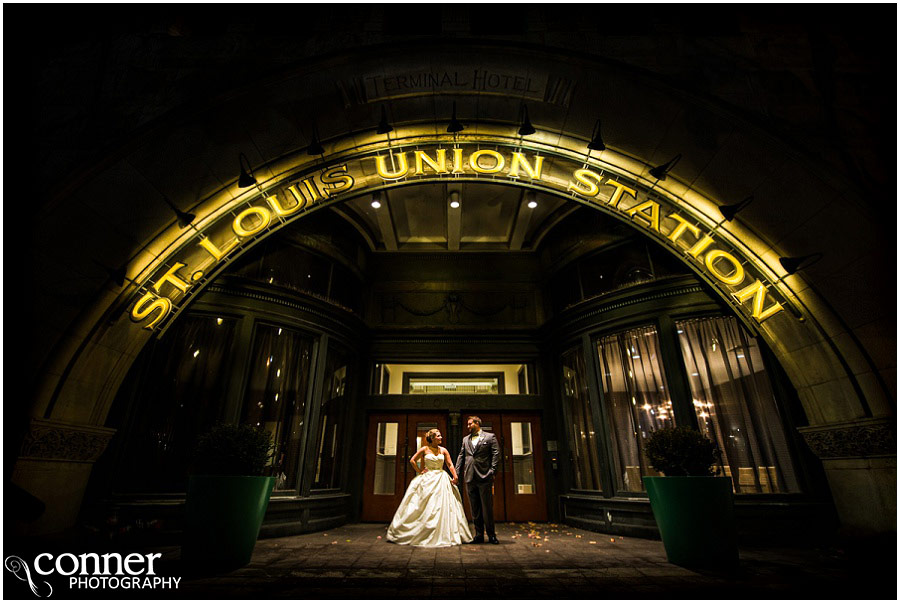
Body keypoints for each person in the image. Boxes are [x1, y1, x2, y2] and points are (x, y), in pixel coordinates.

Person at [386, 428, 473, 546]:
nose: (441, 438)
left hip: (441, 477)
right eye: (438, 436)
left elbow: (450, 464)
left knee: (443, 505)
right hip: (428, 477)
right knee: (423, 504)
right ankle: (422, 530)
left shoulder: (443, 450)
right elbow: (412, 460)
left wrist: (455, 476)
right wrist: (419, 471)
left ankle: (443, 531)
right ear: (432, 438)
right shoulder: (424, 449)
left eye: (440, 435)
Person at [455, 416, 500, 544]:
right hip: (469, 477)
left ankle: (491, 535)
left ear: (477, 423)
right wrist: (457, 473)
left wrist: (492, 470)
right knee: (475, 509)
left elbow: (496, 454)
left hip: (485, 476)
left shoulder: (490, 437)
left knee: (487, 508)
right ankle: (478, 535)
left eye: (470, 424)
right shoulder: (465, 439)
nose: (468, 426)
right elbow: (461, 456)